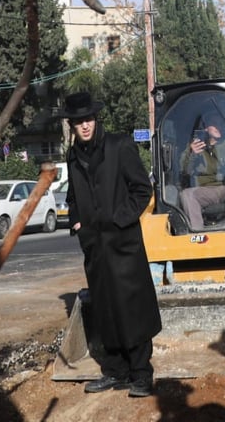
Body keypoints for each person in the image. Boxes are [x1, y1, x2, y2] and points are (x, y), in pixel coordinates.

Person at [60, 91, 161, 398]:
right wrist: (77, 222)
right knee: (104, 308)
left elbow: (142, 190)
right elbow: (73, 197)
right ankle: (115, 371)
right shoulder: (73, 156)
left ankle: (141, 375)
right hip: (95, 246)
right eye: (78, 122)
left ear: (96, 119)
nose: (85, 126)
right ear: (72, 126)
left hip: (124, 243)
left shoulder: (120, 145)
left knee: (133, 308)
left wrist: (121, 219)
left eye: (88, 119)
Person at [179, 113, 225, 229]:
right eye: (215, 124)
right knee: (187, 194)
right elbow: (184, 170)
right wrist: (191, 154)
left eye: (221, 124)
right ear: (206, 128)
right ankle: (197, 232)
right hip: (204, 190)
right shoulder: (194, 148)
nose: (219, 127)